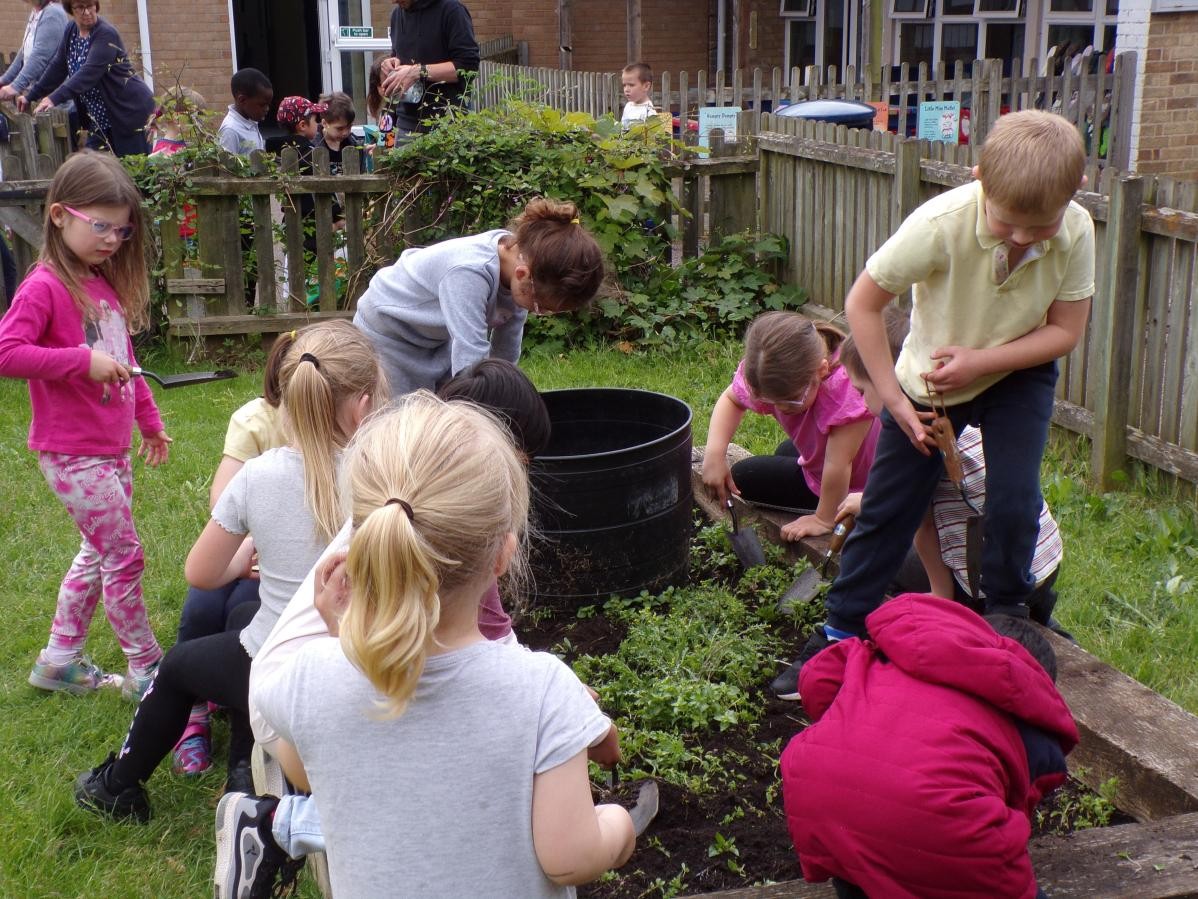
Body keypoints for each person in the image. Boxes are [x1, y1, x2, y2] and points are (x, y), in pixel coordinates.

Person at [242, 391, 635, 897]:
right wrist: (618, 826)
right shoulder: (542, 692)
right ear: (503, 556)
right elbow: (570, 858)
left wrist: (340, 636)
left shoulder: (309, 676)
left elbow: (310, 771)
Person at [771, 110, 1095, 695]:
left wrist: (981, 360)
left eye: (1037, 227)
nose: (1021, 239)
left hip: (1017, 373)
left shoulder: (1075, 228)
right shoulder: (940, 223)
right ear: (978, 179)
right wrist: (893, 399)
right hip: (930, 386)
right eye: (1007, 223)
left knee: (1014, 499)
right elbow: (862, 305)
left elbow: (1066, 331)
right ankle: (838, 633)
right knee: (889, 510)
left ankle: (1005, 620)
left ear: (1073, 197)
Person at [72, 321, 385, 822]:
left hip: (282, 664)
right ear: (365, 404)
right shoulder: (387, 474)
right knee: (243, 616)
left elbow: (200, 572)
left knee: (182, 664)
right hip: (372, 654)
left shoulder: (259, 475)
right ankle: (244, 766)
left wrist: (248, 560)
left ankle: (117, 785)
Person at [0, 151, 170, 699]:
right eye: (100, 226)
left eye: (120, 231)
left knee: (98, 553)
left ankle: (59, 661)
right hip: (71, 453)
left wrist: (148, 421)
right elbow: (7, 352)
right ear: (58, 215)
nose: (112, 240)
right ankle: (147, 670)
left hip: (110, 449)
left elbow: (125, 361)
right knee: (124, 554)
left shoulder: (100, 287)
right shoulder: (45, 286)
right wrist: (78, 360)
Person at [780, 593, 1079, 899]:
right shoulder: (1025, 722)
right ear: (1033, 682)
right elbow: (1028, 787)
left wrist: (855, 727)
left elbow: (816, 680)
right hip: (933, 817)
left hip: (816, 788)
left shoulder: (900, 655)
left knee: (857, 863)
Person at [836, 309, 1066, 634]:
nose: (860, 403)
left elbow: (922, 525)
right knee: (1030, 608)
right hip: (1043, 556)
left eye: (862, 391)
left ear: (889, 379)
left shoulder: (920, 438)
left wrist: (940, 598)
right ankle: (1043, 623)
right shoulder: (958, 420)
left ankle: (1003, 621)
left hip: (984, 578)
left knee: (886, 563)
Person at [169, 330, 293, 777]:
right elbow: (225, 496)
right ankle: (192, 712)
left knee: (246, 613)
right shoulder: (255, 420)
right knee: (201, 607)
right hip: (243, 547)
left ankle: (248, 725)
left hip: (284, 566)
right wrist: (245, 548)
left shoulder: (342, 432)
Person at [353, 197, 605, 395]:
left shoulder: (525, 263)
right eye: (540, 307)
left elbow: (505, 353)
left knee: (447, 405)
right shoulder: (469, 272)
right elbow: (470, 360)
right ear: (522, 274)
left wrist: (505, 396)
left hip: (432, 337)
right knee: (400, 421)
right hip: (388, 333)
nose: (542, 313)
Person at [702, 311, 880, 542]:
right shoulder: (767, 372)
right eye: (769, 401)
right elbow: (731, 399)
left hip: (858, 485)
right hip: (832, 459)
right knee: (785, 451)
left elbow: (839, 464)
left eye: (791, 400)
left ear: (821, 371)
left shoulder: (844, 391)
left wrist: (823, 519)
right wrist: (714, 456)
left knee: (745, 476)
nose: (781, 409)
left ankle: (827, 506)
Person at [18, 0, 156, 157]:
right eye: (80, 8)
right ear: (71, 9)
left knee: (135, 172)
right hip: (99, 121)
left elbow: (88, 73)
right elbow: (58, 67)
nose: (87, 12)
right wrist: (31, 96)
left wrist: (53, 98)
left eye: (90, 6)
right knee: (92, 170)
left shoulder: (106, 34)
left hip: (128, 113)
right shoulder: (71, 31)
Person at [379, 0, 481, 135]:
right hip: (406, 124)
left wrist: (418, 72)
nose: (393, 1)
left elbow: (468, 66)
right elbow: (400, 55)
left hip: (449, 124)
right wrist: (392, 63)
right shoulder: (397, 14)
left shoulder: (452, 10)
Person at [0, 0, 71, 107]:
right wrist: (4, 80)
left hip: (55, 100)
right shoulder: (38, 12)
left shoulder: (52, 13)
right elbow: (24, 52)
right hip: (41, 96)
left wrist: (15, 86)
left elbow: (40, 56)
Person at [217, 68, 272, 157]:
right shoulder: (230, 131)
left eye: (268, 104)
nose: (267, 109)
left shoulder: (250, 121)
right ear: (242, 100)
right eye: (262, 105)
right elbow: (226, 168)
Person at [620, 62, 657, 131]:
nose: (626, 89)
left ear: (646, 86)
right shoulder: (628, 106)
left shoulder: (649, 111)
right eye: (624, 85)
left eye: (631, 85)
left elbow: (651, 137)